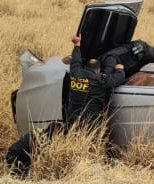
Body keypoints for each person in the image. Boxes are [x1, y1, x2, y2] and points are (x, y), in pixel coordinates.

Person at [4, 35, 127, 176]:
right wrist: (120, 69)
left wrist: (77, 45)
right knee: (89, 147)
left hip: (73, 122)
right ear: (98, 70)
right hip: (90, 125)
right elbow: (118, 78)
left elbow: (75, 61)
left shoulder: (76, 74)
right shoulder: (101, 80)